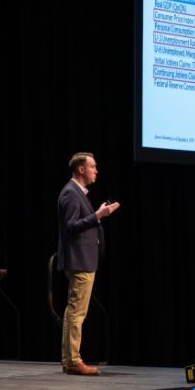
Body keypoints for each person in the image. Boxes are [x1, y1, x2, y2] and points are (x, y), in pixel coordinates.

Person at [56, 152, 120, 376]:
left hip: (82, 260)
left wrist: (97, 213)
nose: (96, 171)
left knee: (74, 311)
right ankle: (73, 361)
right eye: (92, 167)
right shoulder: (71, 193)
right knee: (76, 312)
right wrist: (98, 215)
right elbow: (71, 227)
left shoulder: (76, 193)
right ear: (81, 169)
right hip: (79, 260)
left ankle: (69, 360)